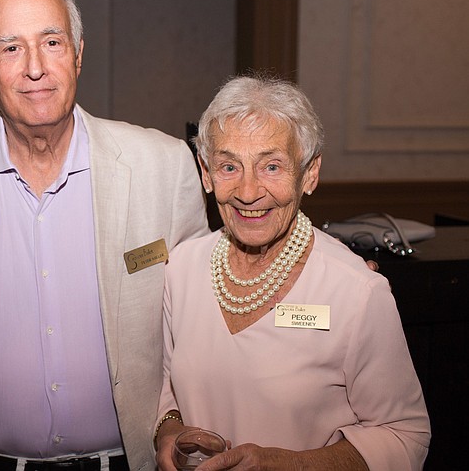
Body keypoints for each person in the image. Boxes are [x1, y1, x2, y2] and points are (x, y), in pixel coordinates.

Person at [0, 0, 209, 470]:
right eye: (11, 48)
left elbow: (199, 323)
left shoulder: (164, 167)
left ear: (77, 54)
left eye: (51, 42)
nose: (36, 67)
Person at [155, 76, 430, 471]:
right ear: (206, 173)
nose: (248, 192)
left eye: (271, 166)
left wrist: (289, 464)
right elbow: (167, 385)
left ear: (310, 173)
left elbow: (405, 436)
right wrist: (169, 428)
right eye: (229, 166)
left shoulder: (356, 292)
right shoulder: (182, 269)